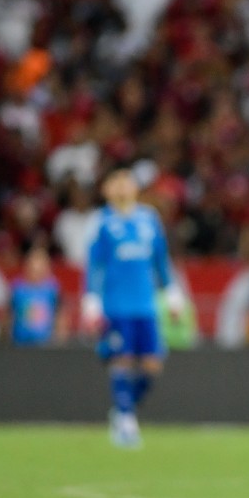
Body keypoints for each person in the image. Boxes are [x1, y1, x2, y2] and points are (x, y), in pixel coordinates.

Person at [82, 168, 185, 448]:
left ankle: (122, 410)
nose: (122, 187)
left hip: (146, 306)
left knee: (152, 365)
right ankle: (126, 421)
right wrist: (91, 301)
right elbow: (95, 264)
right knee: (122, 360)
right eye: (115, 182)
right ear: (106, 190)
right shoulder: (102, 222)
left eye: (126, 181)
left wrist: (173, 295)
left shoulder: (149, 219)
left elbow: (161, 262)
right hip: (116, 306)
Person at [8, 246, 61, 346]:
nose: (36, 272)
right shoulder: (17, 288)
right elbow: (9, 314)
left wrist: (58, 341)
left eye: (40, 269)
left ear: (47, 268)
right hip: (19, 344)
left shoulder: (53, 289)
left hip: (45, 345)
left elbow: (60, 315)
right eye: (33, 268)